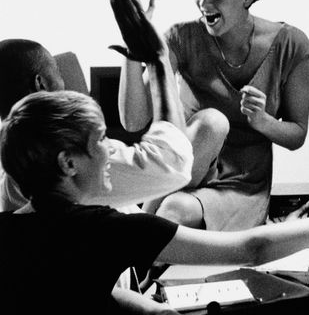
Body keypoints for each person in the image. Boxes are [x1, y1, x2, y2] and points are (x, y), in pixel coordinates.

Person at [1, 0, 309, 315]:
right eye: (100, 145)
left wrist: (146, 309)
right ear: (67, 163)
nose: (110, 154)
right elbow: (252, 247)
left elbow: (72, 283)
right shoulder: (110, 229)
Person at [117, 0, 309, 230]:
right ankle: (137, 251)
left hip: (241, 187)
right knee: (211, 123)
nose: (204, 2)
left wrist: (262, 121)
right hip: (182, 171)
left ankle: (135, 247)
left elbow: (297, 134)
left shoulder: (292, 44)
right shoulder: (180, 38)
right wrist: (134, 48)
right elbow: (133, 121)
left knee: (174, 210)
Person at [0, 39, 192, 213]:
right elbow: (171, 163)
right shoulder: (69, 160)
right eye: (57, 71)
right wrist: (157, 60)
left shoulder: (12, 157)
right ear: (40, 83)